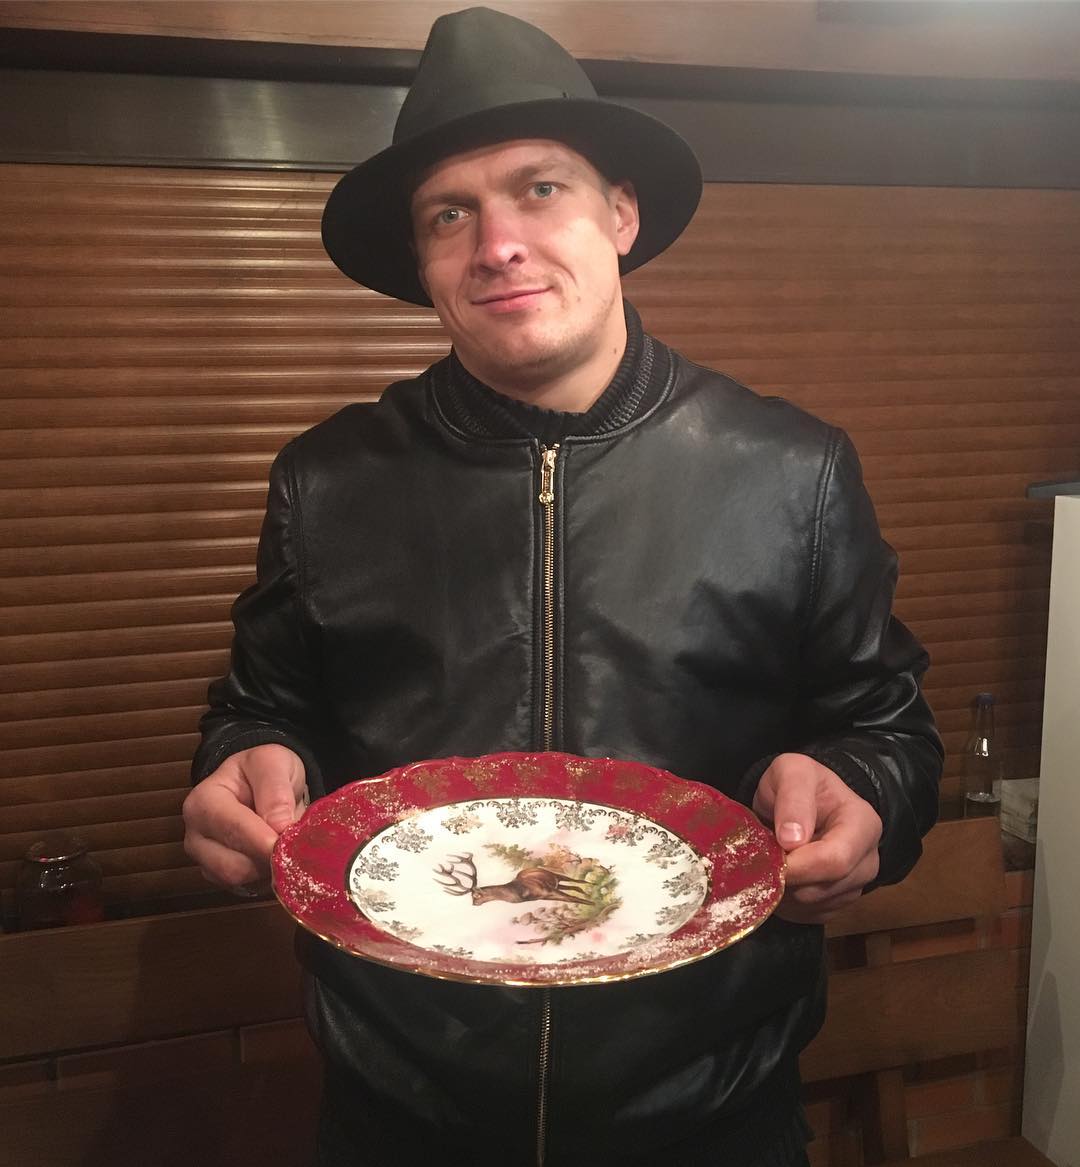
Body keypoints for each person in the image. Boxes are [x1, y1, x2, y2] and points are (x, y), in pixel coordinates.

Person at [182, 8, 943, 1166]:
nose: (498, 244)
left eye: (540, 191)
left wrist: (863, 789)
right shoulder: (327, 480)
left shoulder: (793, 472)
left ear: (621, 215)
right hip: (402, 1115)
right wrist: (243, 759)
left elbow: (884, 725)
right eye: (450, 214)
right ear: (424, 260)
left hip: (709, 1113)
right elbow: (263, 708)